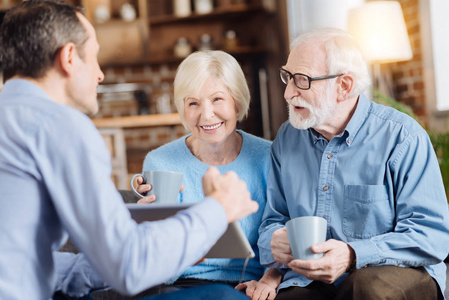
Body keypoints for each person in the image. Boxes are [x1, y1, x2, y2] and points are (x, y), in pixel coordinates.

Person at [0, 1, 259, 299]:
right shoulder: (59, 125)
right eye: (94, 57)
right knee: (223, 298)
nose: (100, 74)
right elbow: (130, 267)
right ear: (69, 57)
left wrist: (172, 246)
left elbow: (32, 262)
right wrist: (217, 209)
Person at [257, 27, 449, 300]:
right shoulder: (287, 139)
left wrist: (352, 254)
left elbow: (431, 236)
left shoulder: (402, 136)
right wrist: (274, 242)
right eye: (288, 77)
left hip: (396, 270)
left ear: (343, 86)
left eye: (302, 80)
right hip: (313, 279)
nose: (288, 93)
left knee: (365, 289)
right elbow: (273, 220)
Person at [134, 50, 279, 300]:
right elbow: (160, 269)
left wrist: (270, 279)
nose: (207, 114)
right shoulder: (160, 162)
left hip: (252, 286)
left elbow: (283, 229)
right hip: (184, 285)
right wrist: (150, 227)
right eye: (193, 103)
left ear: (237, 100)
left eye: (217, 99)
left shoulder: (269, 157)